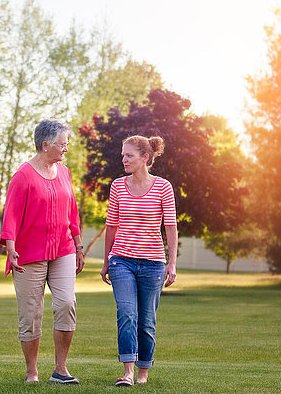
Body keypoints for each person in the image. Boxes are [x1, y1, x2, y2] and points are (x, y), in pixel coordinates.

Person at [0, 119, 84, 384]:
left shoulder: (65, 172)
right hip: (29, 255)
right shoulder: (23, 175)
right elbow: (11, 215)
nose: (66, 149)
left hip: (63, 250)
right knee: (31, 313)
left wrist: (78, 245)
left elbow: (72, 211)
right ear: (45, 145)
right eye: (62, 144)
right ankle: (32, 372)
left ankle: (61, 369)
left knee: (67, 304)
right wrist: (11, 249)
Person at [100, 135, 178, 387]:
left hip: (153, 263)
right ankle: (128, 372)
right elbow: (111, 225)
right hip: (121, 261)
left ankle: (143, 372)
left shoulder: (163, 187)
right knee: (126, 314)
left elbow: (171, 228)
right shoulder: (118, 186)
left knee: (146, 321)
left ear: (145, 157)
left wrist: (172, 263)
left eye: (128, 155)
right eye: (123, 155)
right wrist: (106, 261)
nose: (123, 159)